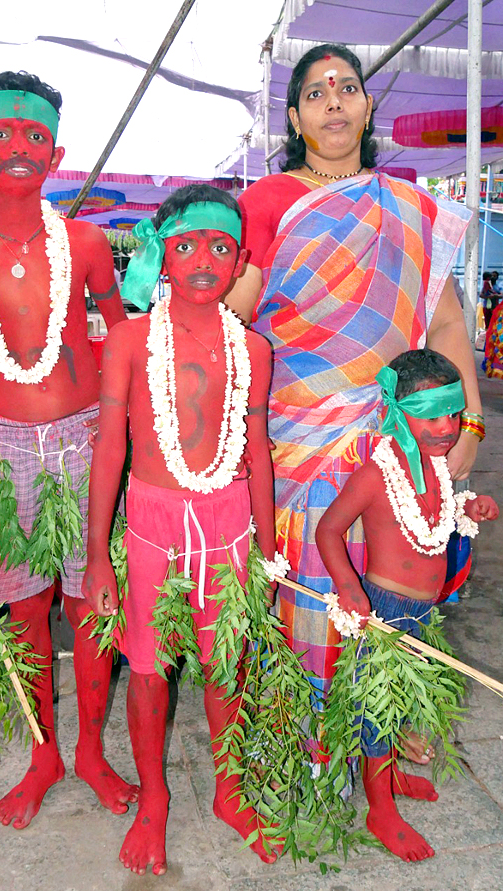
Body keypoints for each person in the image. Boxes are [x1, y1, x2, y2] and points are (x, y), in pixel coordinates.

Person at [225, 44, 482, 754]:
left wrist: (471, 426)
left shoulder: (407, 204)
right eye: (315, 92)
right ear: (296, 117)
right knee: (310, 578)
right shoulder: (267, 200)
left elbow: (446, 321)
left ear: (369, 105)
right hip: (297, 437)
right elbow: (235, 317)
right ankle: (307, 727)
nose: (333, 100)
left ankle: (388, 721)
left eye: (347, 87)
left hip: (397, 438)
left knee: (400, 581)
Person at [0, 71, 135, 829]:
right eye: (1, 134)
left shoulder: (83, 242)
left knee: (93, 604)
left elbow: (125, 342)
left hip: (86, 439)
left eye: (34, 135)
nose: (18, 146)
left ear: (58, 152)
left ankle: (92, 753)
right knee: (25, 606)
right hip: (8, 451)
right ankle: (43, 755)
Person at [83, 185, 278, 875]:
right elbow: (111, 447)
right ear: (162, 253)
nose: (203, 259)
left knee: (228, 663)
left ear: (241, 261)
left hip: (229, 526)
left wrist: (270, 548)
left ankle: (229, 792)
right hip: (153, 525)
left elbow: (255, 451)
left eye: (221, 247)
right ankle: (155, 800)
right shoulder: (132, 339)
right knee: (147, 669)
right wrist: (97, 558)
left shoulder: (253, 347)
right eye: (187, 243)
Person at [315, 349, 498, 862]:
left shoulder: (437, 465)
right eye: (431, 414)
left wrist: (469, 506)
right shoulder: (377, 472)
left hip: (425, 613)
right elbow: (329, 529)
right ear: (397, 409)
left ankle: (391, 773)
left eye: (453, 414)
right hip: (385, 612)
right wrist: (349, 588)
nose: (446, 427)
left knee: (406, 705)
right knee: (378, 709)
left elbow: (431, 512)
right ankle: (379, 809)